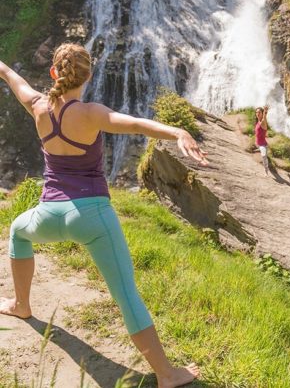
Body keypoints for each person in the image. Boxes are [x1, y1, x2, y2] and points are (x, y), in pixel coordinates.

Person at [0, 44, 206, 388]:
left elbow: (8, 74)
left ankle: (21, 304)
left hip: (48, 214)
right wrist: (178, 132)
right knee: (126, 293)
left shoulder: (37, 106)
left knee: (19, 231)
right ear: (89, 75)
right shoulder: (91, 113)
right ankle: (167, 374)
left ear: (54, 73)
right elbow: (138, 125)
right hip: (92, 216)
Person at [255, 106, 269, 175]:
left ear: (262, 113)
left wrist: (265, 112)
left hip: (263, 145)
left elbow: (264, 118)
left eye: (259, 112)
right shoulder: (258, 121)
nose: (257, 113)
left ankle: (266, 171)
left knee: (264, 156)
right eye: (256, 112)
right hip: (257, 144)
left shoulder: (263, 122)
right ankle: (258, 149)